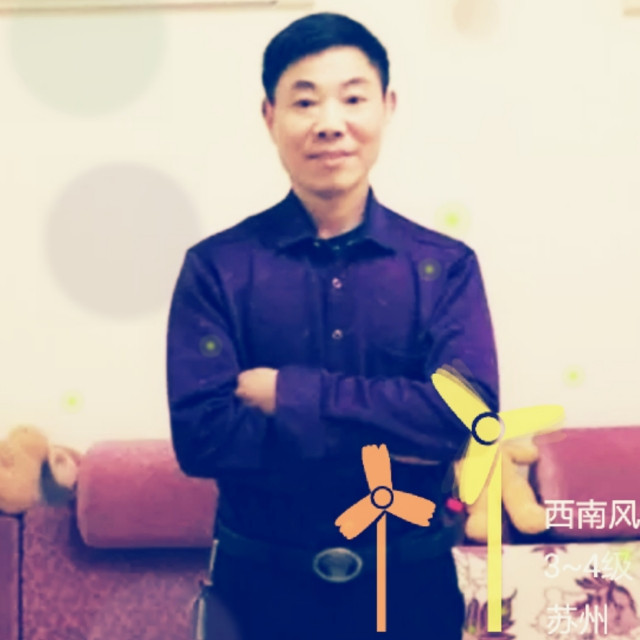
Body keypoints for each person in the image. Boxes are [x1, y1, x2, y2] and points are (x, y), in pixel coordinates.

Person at [166, 11, 499, 640]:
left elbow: (466, 420)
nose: (329, 122)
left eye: (352, 97)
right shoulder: (216, 269)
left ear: (387, 107)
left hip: (409, 589)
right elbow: (203, 439)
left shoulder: (445, 267)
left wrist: (288, 395)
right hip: (259, 592)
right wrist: (397, 429)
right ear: (270, 116)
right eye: (305, 101)